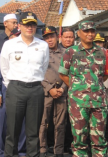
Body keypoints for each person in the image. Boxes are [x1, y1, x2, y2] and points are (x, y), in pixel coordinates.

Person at [58, 21, 108, 156]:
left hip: (98, 101)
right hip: (78, 103)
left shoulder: (103, 52)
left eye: (92, 31)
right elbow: (63, 73)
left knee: (99, 139)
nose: (90, 34)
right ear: (79, 33)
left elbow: (105, 75)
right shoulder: (71, 52)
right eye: (86, 31)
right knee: (79, 139)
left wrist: (93, 87)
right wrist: (77, 87)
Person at [0, 12, 49, 156]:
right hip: (16, 89)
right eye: (27, 24)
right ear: (19, 25)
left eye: (33, 24)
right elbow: (4, 68)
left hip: (35, 90)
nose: (30, 27)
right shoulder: (9, 44)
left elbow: (44, 67)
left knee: (33, 132)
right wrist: (12, 86)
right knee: (12, 131)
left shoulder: (43, 45)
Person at [0, 28, 26, 157]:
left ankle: (21, 151)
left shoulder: (26, 52)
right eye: (15, 36)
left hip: (23, 91)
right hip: (5, 91)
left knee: (23, 123)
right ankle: (2, 151)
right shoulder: (3, 52)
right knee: (3, 123)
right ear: (10, 37)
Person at [0, 14, 18, 151]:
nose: (16, 24)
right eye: (13, 22)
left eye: (17, 22)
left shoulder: (20, 40)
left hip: (15, 84)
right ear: (5, 23)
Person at [39, 26, 67, 157]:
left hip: (62, 91)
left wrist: (62, 88)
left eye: (51, 36)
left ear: (57, 36)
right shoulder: (40, 52)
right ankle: (43, 148)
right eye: (46, 38)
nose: (49, 40)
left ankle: (58, 150)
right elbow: (37, 74)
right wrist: (50, 89)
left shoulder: (66, 53)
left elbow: (71, 73)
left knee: (60, 123)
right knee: (43, 122)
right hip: (46, 92)